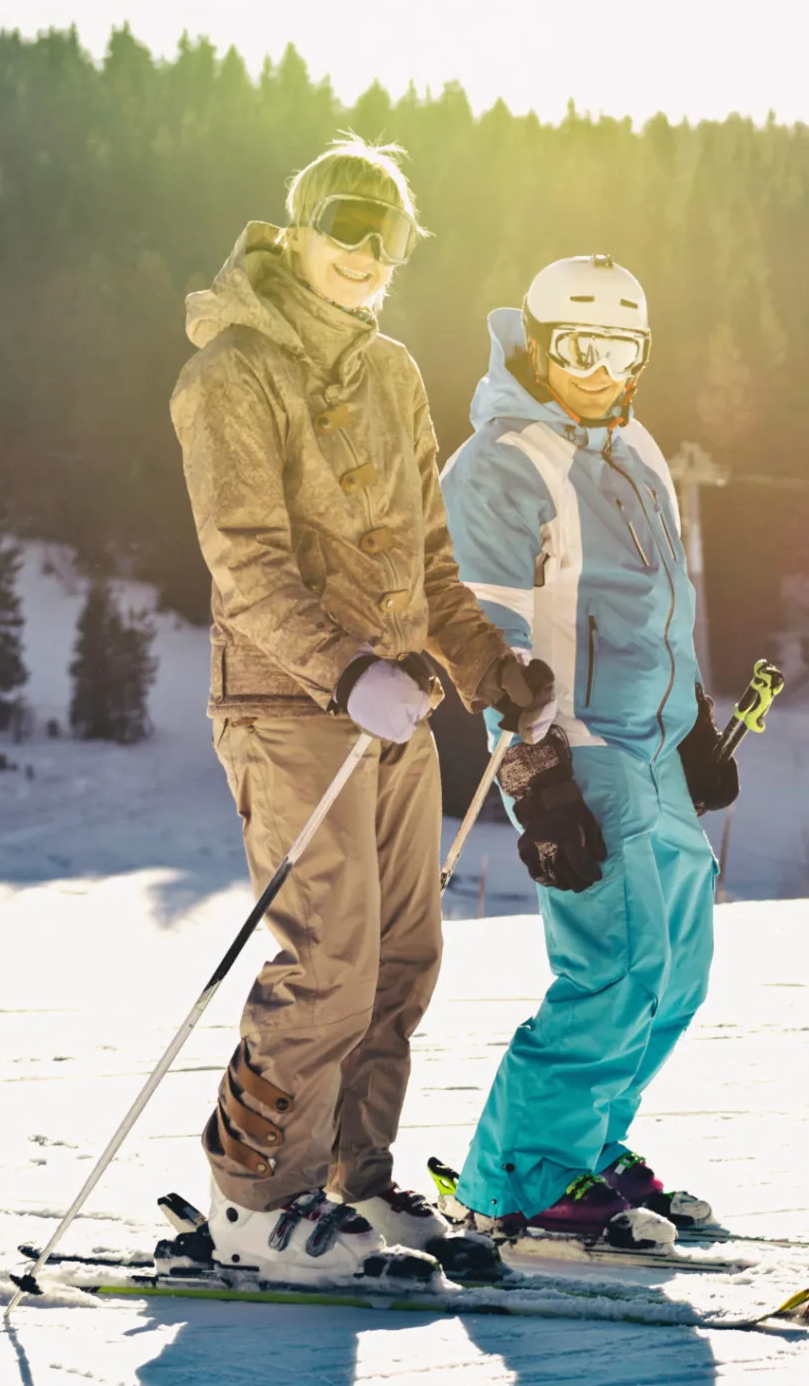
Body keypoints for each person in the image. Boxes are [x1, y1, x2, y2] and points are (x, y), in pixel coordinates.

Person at [172, 136, 556, 1282]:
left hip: (395, 707)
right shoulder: (232, 371)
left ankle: (352, 1180)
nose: (360, 250)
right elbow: (244, 561)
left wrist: (491, 669)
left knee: (402, 955)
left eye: (382, 234)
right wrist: (345, 673)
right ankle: (254, 1200)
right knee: (328, 954)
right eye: (342, 224)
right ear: (295, 232)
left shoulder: (390, 372)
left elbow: (432, 564)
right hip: (292, 706)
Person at [437, 254, 739, 1251]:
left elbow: (664, 606)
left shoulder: (639, 448)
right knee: (616, 966)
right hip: (575, 749)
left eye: (623, 350)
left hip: (653, 743)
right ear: (536, 344)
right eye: (580, 349)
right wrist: (539, 783)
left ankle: (591, 1142)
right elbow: (491, 646)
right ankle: (519, 1180)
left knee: (680, 969)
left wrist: (693, 722)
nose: (602, 371)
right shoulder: (499, 465)